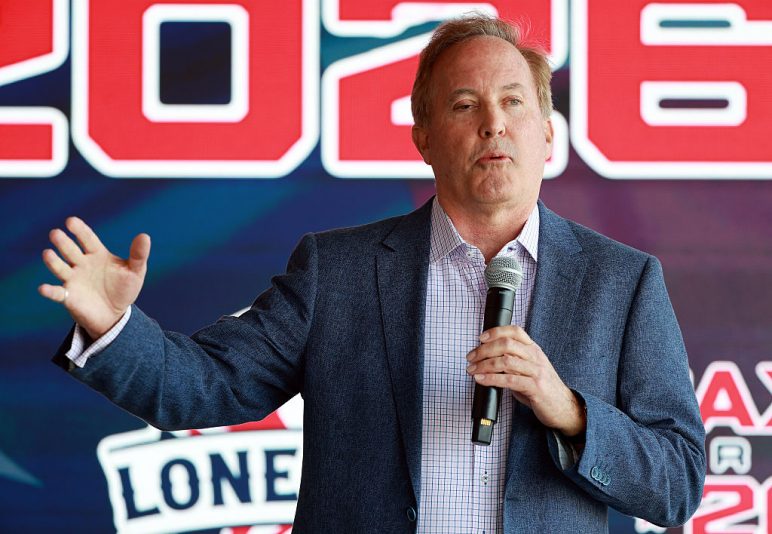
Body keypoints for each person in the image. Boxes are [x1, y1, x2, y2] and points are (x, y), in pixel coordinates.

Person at [39, 15, 705, 533]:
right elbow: (207, 385)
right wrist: (115, 328)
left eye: (514, 103)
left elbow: (677, 480)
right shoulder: (338, 271)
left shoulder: (621, 282)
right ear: (424, 134)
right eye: (464, 105)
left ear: (548, 132)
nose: (494, 124)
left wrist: (568, 410)